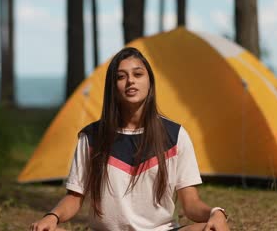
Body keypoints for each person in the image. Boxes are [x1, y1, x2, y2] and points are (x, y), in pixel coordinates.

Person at [30, 47, 230, 231]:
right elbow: (74, 197)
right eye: (121, 76)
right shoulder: (91, 137)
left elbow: (191, 203)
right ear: (112, 86)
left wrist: (216, 212)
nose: (131, 81)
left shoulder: (175, 135)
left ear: (149, 81)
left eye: (138, 74)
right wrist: (52, 217)